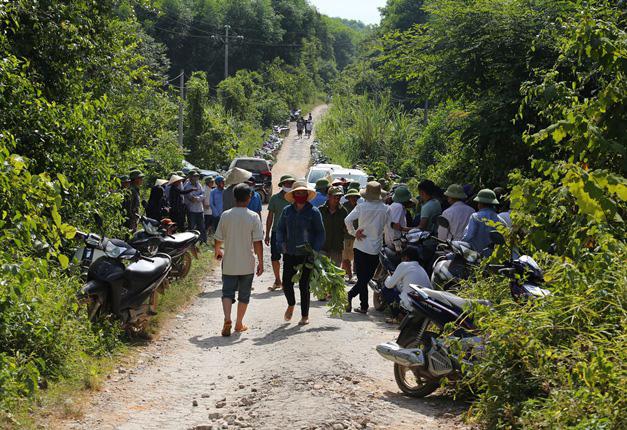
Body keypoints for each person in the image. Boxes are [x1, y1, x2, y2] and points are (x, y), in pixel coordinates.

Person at [214, 183, 264, 336]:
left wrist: (217, 251)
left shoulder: (226, 215)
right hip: (246, 264)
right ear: (249, 198)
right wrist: (261, 262)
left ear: (234, 197)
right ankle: (238, 323)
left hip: (229, 262)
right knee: (244, 295)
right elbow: (257, 242)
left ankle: (227, 319)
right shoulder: (253, 216)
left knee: (227, 293)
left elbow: (218, 239)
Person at [276, 181, 325, 326]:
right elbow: (280, 229)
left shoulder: (314, 212)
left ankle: (305, 315)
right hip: (290, 252)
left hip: (306, 254)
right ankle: (291, 304)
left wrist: (314, 250)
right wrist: (281, 244)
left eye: (303, 193)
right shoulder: (287, 211)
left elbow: (320, 233)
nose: (300, 195)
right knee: (287, 283)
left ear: (307, 194)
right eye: (298, 193)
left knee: (304, 285)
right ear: (294, 194)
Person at [344, 181, 391, 314]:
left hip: (360, 245)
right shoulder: (386, 209)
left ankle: (352, 296)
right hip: (376, 247)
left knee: (362, 278)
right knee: (366, 277)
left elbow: (347, 220)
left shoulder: (361, 206)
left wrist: (354, 232)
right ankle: (362, 306)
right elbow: (389, 229)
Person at [382, 246, 432, 323]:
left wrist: (389, 277)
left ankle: (399, 317)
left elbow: (389, 285)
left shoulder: (404, 265)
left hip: (410, 305)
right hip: (424, 307)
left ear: (406, 257)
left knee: (386, 290)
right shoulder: (421, 269)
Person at [265, 175, 296, 291]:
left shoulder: (294, 198)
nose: (289, 185)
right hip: (276, 232)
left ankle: (286, 281)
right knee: (275, 257)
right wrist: (267, 234)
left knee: (289, 258)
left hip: (291, 233)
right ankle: (277, 280)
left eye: (291, 183)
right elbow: (270, 217)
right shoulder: (274, 199)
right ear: (282, 185)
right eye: (287, 183)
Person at [462, 189, 505, 257]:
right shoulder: (500, 220)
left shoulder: (475, 217)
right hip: (493, 258)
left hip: (475, 256)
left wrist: (459, 244)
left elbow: (468, 236)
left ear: (480, 204)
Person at [319, 186, 348, 267]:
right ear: (328, 196)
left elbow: (346, 228)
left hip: (337, 247)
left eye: (338, 197)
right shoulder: (321, 210)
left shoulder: (343, 211)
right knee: (322, 271)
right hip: (323, 246)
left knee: (335, 272)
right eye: (334, 197)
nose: (336, 200)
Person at [384, 186, 413, 250]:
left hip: (393, 240)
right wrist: (413, 229)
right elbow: (394, 225)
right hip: (395, 242)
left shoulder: (397, 206)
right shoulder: (398, 207)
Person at [341, 188, 360, 282]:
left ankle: (342, 274)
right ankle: (350, 275)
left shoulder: (359, 207)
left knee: (351, 257)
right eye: (351, 197)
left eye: (355, 197)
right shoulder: (344, 207)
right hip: (346, 236)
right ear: (348, 198)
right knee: (345, 257)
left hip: (356, 236)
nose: (353, 198)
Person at [184, 170, 206, 244]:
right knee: (191, 227)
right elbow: (191, 198)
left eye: (197, 176)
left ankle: (202, 241)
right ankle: (191, 243)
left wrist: (197, 198)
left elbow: (204, 195)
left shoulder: (199, 184)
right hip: (191, 210)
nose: (196, 177)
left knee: (202, 227)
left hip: (200, 209)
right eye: (194, 176)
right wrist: (199, 197)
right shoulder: (187, 186)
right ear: (190, 177)